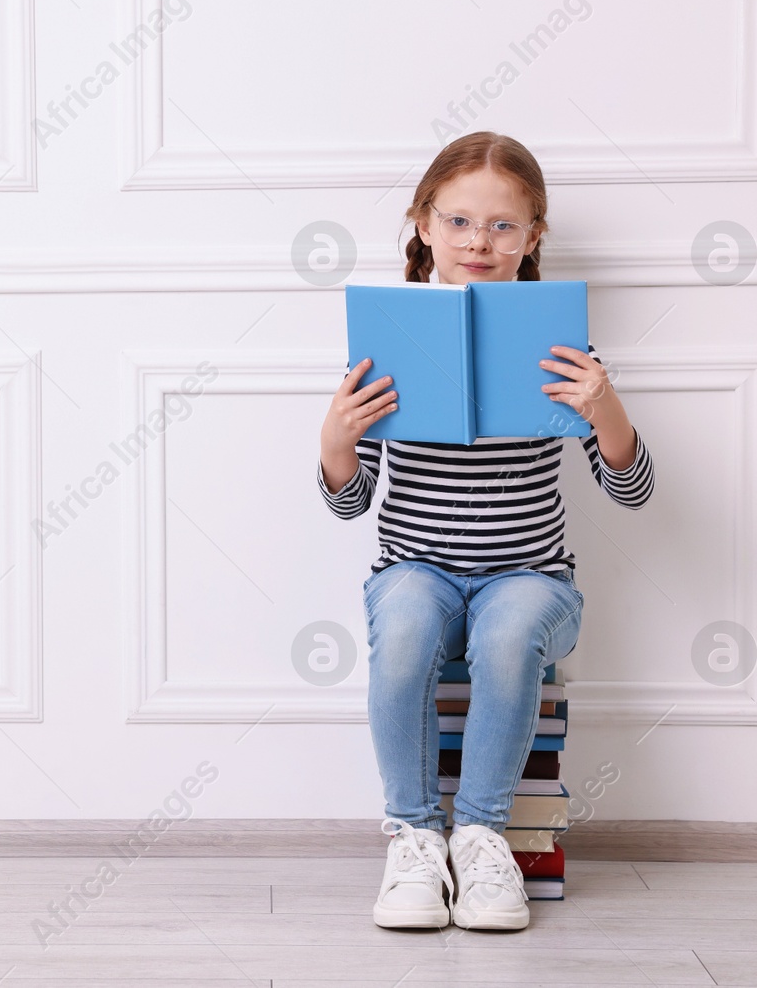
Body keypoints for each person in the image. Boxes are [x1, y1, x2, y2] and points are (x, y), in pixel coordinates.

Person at [317, 131, 655, 931]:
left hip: (531, 577)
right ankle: (412, 835)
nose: (479, 241)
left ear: (533, 235)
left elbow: (631, 488)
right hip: (417, 568)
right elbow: (350, 500)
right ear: (424, 223)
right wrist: (335, 442)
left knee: (507, 640)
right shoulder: (389, 342)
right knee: (401, 627)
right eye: (460, 221)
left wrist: (604, 407)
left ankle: (480, 833)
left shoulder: (561, 345)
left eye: (503, 225)